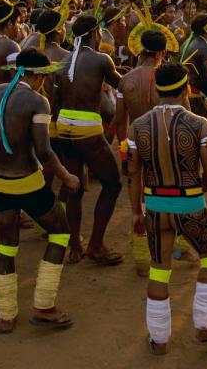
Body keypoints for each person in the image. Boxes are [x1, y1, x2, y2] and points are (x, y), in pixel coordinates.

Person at [0, 47, 81, 332]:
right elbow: (44, 151)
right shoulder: (38, 101)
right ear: (34, 76)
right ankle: (44, 306)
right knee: (60, 233)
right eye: (42, 77)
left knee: (6, 246)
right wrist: (67, 176)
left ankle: (6, 315)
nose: (43, 82)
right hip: (28, 180)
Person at [128, 62, 207, 353]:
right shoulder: (199, 124)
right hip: (191, 203)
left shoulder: (138, 126)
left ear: (156, 90)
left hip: (155, 207)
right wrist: (202, 187)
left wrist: (136, 211)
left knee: (159, 269)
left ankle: (159, 340)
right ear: (186, 89)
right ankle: (206, 329)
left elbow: (133, 174)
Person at [53, 13, 124, 265]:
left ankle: (75, 245)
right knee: (113, 184)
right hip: (87, 130)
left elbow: (57, 102)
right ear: (96, 34)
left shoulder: (64, 60)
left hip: (63, 129)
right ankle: (95, 245)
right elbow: (123, 85)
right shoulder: (101, 59)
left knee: (75, 188)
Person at [115, 26, 176, 275]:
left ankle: (141, 258)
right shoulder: (170, 78)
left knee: (137, 198)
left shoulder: (126, 79)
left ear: (140, 50)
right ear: (162, 52)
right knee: (163, 195)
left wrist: (123, 149)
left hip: (135, 140)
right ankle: (164, 249)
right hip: (165, 142)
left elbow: (120, 120)